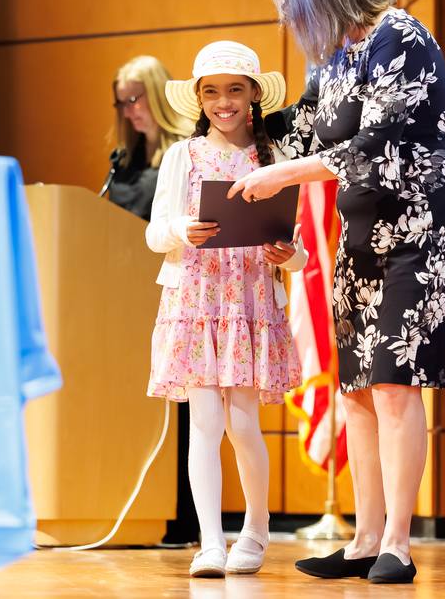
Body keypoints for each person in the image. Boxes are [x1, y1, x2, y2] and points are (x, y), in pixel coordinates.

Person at [230, 0, 445, 584]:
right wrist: (234, 115)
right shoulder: (332, 60)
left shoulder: (400, 35)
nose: (290, 22)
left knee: (396, 382)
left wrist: (283, 176)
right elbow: (304, 128)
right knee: (358, 389)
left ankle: (398, 540)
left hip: (421, 230)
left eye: (292, 6)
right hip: (362, 236)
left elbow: (377, 146)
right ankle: (365, 537)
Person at [146, 41, 307, 578]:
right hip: (195, 300)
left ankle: (256, 530)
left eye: (235, 89)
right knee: (204, 426)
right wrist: (180, 230)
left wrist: (290, 253)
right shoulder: (180, 156)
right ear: (198, 99)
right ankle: (210, 541)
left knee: (243, 426)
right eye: (211, 92)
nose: (223, 102)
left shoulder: (276, 161)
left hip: (250, 301)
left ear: (254, 95)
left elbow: (299, 245)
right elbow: (154, 232)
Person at [104, 55, 192, 221]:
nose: (126, 113)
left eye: (131, 100)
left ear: (157, 94)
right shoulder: (124, 156)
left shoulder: (191, 148)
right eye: (121, 104)